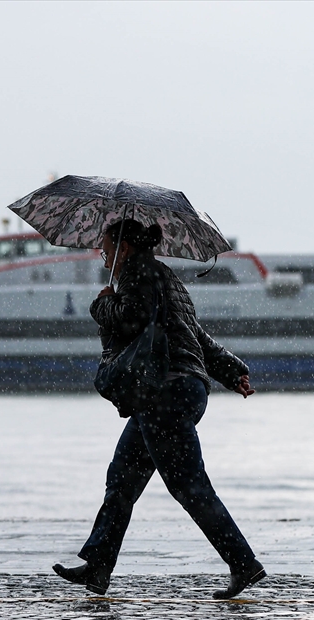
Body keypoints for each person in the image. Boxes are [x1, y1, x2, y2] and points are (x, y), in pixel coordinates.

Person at [53, 219, 265, 600]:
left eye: (105, 244)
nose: (101, 252)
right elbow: (196, 337)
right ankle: (98, 567)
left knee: (189, 486)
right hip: (179, 388)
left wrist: (101, 305)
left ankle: (243, 562)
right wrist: (233, 372)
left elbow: (131, 319)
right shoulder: (165, 278)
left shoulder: (139, 274)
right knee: (122, 479)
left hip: (163, 390)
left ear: (124, 246)